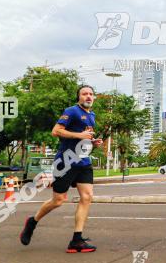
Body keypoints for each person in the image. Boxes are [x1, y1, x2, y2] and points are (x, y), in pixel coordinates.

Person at [19, 85, 104, 253]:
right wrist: (80, 136)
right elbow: (56, 131)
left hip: (83, 162)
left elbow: (83, 139)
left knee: (87, 197)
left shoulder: (91, 115)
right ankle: (32, 222)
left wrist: (92, 143)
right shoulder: (71, 111)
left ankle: (77, 240)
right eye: (84, 94)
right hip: (65, 162)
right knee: (58, 200)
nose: (88, 96)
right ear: (79, 97)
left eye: (91, 94)